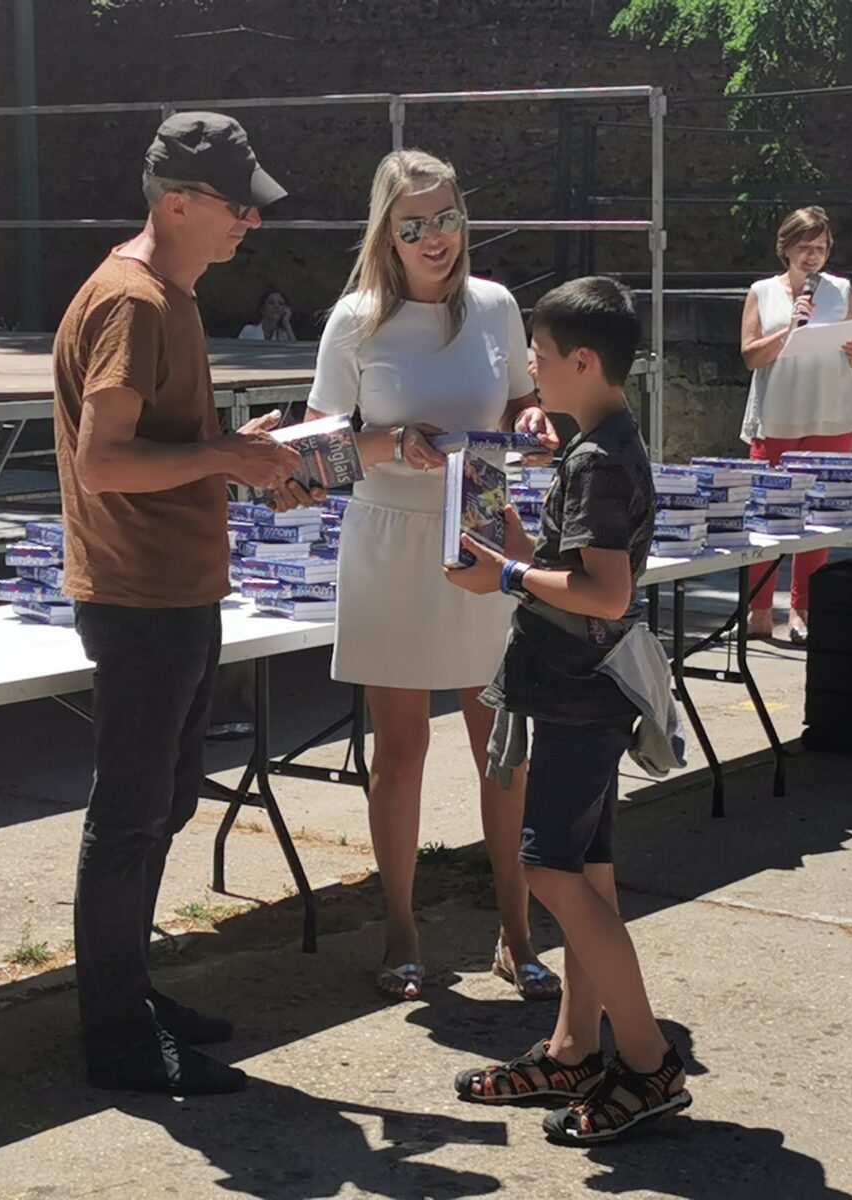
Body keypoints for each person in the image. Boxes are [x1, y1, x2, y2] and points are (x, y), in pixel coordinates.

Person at [52, 111, 319, 1095]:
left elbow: (160, 443)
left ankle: (131, 997)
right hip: (141, 599)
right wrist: (219, 455)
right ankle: (118, 1041)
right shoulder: (136, 302)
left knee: (160, 802)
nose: (251, 221)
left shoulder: (169, 294)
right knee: (127, 816)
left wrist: (236, 451)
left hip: (175, 591)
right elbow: (106, 460)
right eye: (236, 204)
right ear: (177, 202)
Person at [304, 148, 560, 1003]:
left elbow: (525, 396)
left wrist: (532, 418)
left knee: (501, 748)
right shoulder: (354, 320)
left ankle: (516, 932)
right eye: (413, 224)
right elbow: (316, 454)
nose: (435, 238)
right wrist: (389, 444)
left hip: (482, 525)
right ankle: (404, 933)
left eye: (447, 218)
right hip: (387, 533)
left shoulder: (493, 306)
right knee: (401, 750)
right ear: (387, 231)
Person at [447, 276, 692, 1144]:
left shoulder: (593, 458)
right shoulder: (601, 442)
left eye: (540, 359)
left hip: (579, 695)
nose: (530, 373)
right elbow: (582, 571)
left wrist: (507, 577)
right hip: (582, 688)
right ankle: (572, 1048)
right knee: (585, 873)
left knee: (549, 869)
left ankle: (645, 1055)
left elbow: (604, 591)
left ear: (582, 362)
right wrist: (517, 546)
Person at [740, 206, 852, 643]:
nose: (813, 256)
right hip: (777, 414)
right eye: (805, 247)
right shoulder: (762, 292)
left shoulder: (841, 289)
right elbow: (750, 356)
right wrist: (790, 330)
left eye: (821, 248)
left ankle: (803, 610)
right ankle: (760, 609)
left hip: (830, 410)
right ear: (786, 248)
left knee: (817, 519)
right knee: (766, 515)